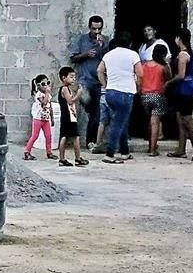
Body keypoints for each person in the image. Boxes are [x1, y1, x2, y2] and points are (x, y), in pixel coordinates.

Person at [97, 33, 142, 164]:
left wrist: (105, 84)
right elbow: (140, 74)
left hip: (110, 92)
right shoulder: (133, 55)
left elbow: (99, 70)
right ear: (130, 44)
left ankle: (124, 151)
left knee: (121, 121)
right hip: (126, 92)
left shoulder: (109, 55)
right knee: (118, 123)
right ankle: (110, 153)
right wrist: (138, 88)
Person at [69, 15, 107, 149]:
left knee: (96, 113)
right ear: (89, 27)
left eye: (99, 29)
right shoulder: (82, 40)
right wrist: (85, 55)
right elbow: (73, 58)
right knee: (87, 104)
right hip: (85, 80)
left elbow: (108, 59)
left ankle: (91, 141)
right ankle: (91, 111)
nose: (96, 32)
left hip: (98, 82)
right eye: (94, 28)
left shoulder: (105, 41)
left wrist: (102, 47)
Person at [165, 28, 193, 161]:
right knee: (180, 120)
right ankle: (181, 149)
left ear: (179, 39)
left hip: (185, 90)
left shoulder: (182, 55)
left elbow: (180, 75)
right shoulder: (190, 53)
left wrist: (168, 83)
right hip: (188, 88)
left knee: (187, 121)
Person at [140, 44, 171, 156]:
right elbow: (169, 78)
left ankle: (149, 145)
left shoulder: (144, 65)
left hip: (145, 96)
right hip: (158, 96)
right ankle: (153, 149)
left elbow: (139, 80)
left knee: (149, 121)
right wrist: (167, 64)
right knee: (155, 123)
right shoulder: (163, 67)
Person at [56, 66, 89, 167]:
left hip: (69, 115)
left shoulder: (67, 89)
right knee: (74, 137)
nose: (73, 79)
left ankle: (64, 158)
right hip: (68, 116)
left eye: (74, 77)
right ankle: (76, 158)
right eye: (71, 77)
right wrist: (78, 94)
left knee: (65, 136)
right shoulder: (65, 89)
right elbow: (70, 101)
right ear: (63, 78)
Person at [23, 74, 57, 161]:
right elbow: (44, 103)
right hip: (38, 118)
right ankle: (27, 151)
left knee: (48, 136)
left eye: (47, 83)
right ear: (38, 86)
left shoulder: (47, 95)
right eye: (43, 84)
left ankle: (49, 152)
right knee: (35, 136)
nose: (46, 86)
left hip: (46, 119)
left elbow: (50, 106)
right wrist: (47, 93)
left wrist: (52, 118)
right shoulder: (38, 95)